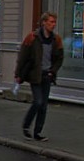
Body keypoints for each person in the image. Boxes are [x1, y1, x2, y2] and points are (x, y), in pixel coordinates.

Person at [15, 11, 64, 141]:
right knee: (38, 101)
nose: (53, 25)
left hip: (47, 74)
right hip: (35, 74)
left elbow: (59, 58)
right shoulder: (32, 38)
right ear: (44, 22)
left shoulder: (56, 39)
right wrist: (18, 74)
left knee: (44, 105)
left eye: (54, 22)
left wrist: (52, 71)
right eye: (51, 22)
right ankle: (26, 125)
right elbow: (23, 57)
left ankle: (38, 132)